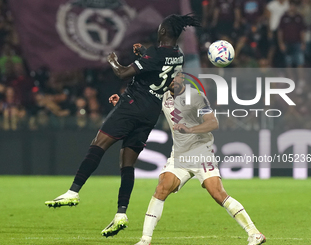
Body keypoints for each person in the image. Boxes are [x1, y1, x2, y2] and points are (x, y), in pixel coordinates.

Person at [45, 14, 201, 237]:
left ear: (164, 32)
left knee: (98, 144)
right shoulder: (179, 56)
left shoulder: (155, 53)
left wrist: (112, 60)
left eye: (160, 29)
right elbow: (160, 70)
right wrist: (144, 55)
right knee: (127, 163)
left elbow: (122, 72)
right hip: (150, 113)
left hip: (131, 105)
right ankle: (121, 213)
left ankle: (73, 191)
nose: (158, 31)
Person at [120, 72, 265, 245]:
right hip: (179, 155)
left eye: (177, 77)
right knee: (161, 188)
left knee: (218, 194)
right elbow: (142, 108)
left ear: (182, 78)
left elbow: (213, 122)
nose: (173, 81)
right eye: (170, 78)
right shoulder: (163, 96)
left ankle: (254, 233)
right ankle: (145, 240)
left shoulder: (196, 97)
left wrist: (190, 130)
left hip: (200, 152)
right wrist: (122, 105)